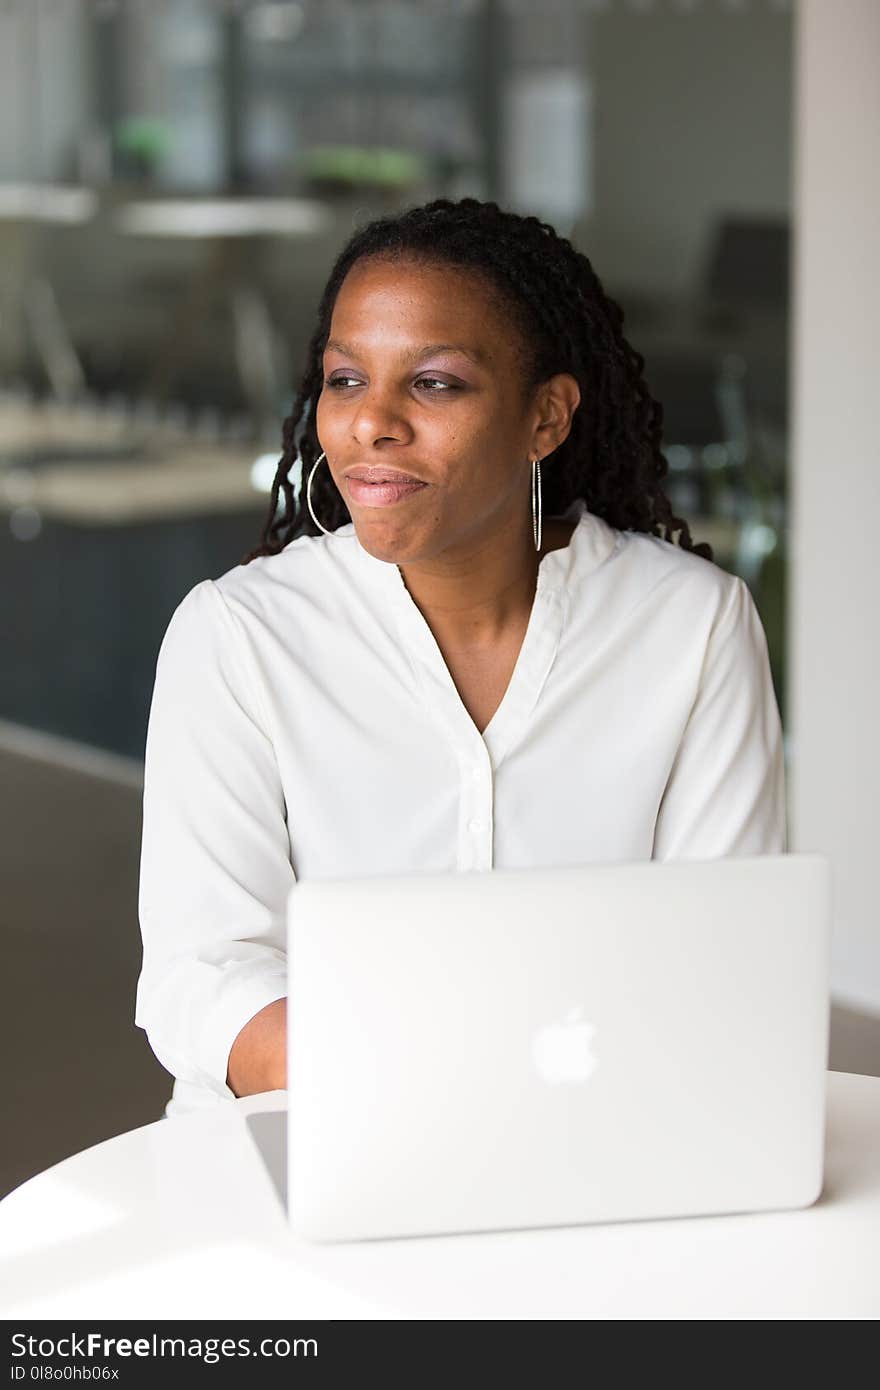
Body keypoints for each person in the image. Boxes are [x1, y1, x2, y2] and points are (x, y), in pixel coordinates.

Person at [135, 197, 786, 1117]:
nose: (373, 424)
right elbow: (202, 974)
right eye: (346, 379)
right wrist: (415, 1094)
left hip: (603, 1150)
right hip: (310, 1152)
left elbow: (725, 958)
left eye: (435, 383)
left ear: (547, 417)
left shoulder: (690, 627)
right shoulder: (239, 636)